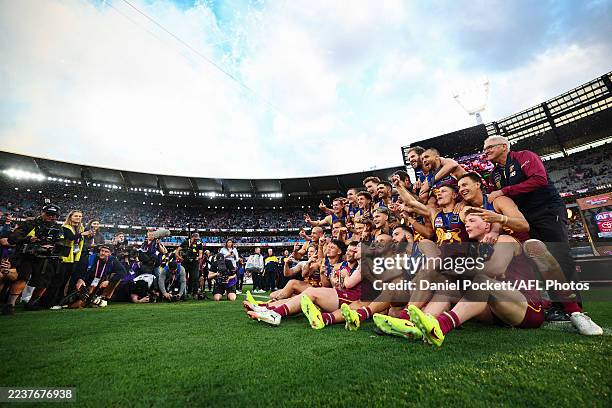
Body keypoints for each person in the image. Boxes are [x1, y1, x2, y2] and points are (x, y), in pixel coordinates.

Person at [484, 135, 588, 322]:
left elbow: (540, 179)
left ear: (503, 146)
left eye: (489, 147)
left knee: (559, 255)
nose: (486, 152)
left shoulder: (524, 156)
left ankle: (575, 307)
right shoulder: (495, 174)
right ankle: (556, 305)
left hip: (547, 211)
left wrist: (504, 191)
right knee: (539, 260)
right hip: (525, 218)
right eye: (484, 149)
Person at [3, 204, 63, 314]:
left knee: (44, 282)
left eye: (55, 215)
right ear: (42, 213)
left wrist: (54, 246)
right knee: (23, 277)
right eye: (49, 214)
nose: (52, 217)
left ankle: (31, 303)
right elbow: (12, 238)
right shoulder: (30, 223)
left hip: (45, 257)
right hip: (26, 255)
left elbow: (60, 242)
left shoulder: (57, 227)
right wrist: (29, 239)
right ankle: (10, 304)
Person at [72, 243, 126, 308]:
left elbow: (123, 272)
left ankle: (103, 298)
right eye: (102, 250)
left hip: (100, 284)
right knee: (76, 305)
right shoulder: (90, 258)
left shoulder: (112, 260)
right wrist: (79, 279)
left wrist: (109, 281)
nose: (103, 253)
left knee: (116, 277)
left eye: (106, 252)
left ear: (110, 253)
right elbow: (77, 271)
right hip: (85, 283)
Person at [177, 233, 203, 298]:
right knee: (184, 277)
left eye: (198, 239)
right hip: (185, 261)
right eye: (195, 239)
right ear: (192, 238)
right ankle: (184, 292)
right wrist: (180, 258)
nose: (197, 241)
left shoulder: (199, 243)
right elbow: (177, 251)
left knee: (195, 277)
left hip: (194, 262)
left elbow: (200, 254)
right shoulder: (185, 242)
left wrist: (198, 257)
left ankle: (195, 293)